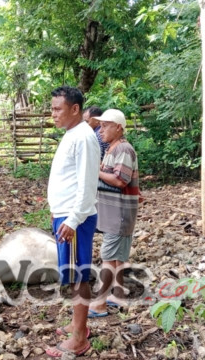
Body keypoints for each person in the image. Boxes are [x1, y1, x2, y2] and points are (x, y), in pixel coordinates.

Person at [45, 86, 100, 358]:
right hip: (65, 214)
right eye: (52, 109)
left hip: (75, 218)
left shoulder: (84, 138)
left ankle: (79, 337)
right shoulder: (72, 134)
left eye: (58, 109)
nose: (53, 114)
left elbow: (87, 185)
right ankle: (78, 325)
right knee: (72, 273)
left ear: (75, 109)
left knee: (79, 275)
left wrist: (73, 219)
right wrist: (57, 211)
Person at [86, 109, 141, 316]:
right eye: (100, 126)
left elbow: (120, 180)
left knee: (108, 257)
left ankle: (99, 303)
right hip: (116, 213)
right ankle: (118, 296)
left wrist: (94, 171)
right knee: (117, 257)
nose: (100, 130)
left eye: (105, 126)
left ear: (118, 128)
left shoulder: (123, 149)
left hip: (119, 214)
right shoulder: (112, 148)